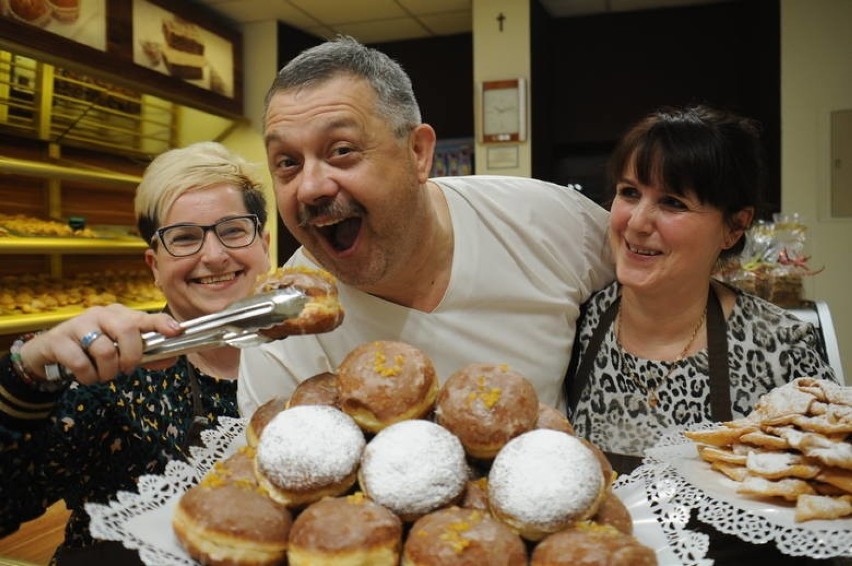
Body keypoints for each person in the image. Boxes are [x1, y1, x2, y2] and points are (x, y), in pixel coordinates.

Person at [236, 35, 615, 417]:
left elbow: (664, 294)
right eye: (287, 163)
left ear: (418, 152)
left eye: (341, 151)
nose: (311, 187)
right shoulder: (282, 331)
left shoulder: (547, 222)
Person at [0, 141, 272, 562]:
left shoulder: (305, 357)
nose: (215, 256)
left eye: (233, 230)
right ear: (154, 267)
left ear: (264, 245)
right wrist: (28, 374)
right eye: (183, 238)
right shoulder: (118, 370)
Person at [565, 104, 838, 473]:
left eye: (672, 202)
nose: (637, 222)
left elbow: (829, 483)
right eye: (629, 193)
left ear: (734, 227)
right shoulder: (574, 323)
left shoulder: (784, 350)